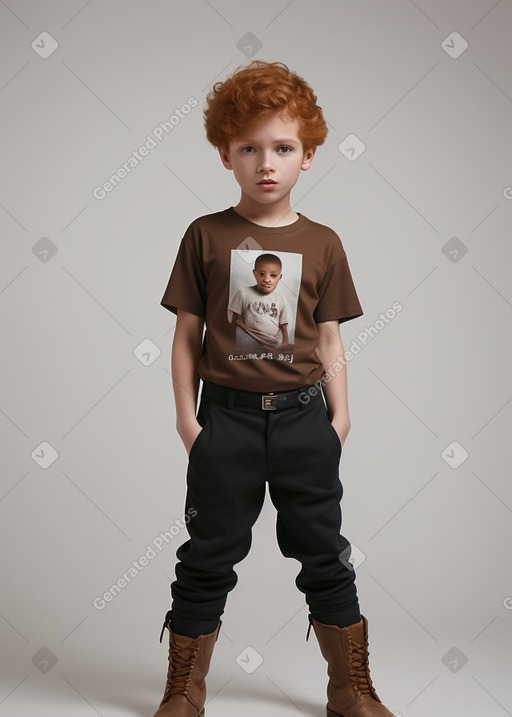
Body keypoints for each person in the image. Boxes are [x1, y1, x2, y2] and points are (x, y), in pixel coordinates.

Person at [154, 60, 394, 717]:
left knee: (326, 553)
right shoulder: (206, 235)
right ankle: (183, 687)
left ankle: (351, 686)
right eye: (249, 148)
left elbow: (330, 341)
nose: (267, 163)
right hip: (224, 421)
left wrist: (339, 418)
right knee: (206, 555)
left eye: (283, 148)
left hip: (303, 422)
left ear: (309, 155)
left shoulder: (323, 243)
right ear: (225, 154)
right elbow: (184, 337)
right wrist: (188, 422)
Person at [227, 252, 292, 352]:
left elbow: (283, 324)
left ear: (280, 277)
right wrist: (243, 328)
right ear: (254, 273)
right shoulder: (243, 293)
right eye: (262, 274)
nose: (266, 280)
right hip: (248, 341)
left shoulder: (281, 299)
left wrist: (285, 343)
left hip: (271, 344)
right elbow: (231, 318)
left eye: (273, 275)